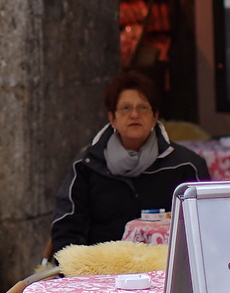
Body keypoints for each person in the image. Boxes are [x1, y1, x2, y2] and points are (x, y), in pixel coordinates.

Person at [50, 73, 208, 253]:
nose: (134, 115)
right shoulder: (87, 165)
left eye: (143, 108)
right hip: (102, 270)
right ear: (112, 118)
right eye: (125, 108)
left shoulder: (186, 165)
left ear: (155, 117)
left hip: (167, 268)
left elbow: (205, 226)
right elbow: (67, 229)